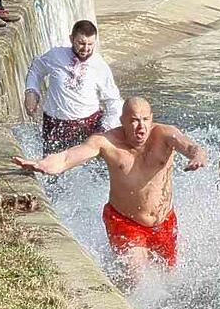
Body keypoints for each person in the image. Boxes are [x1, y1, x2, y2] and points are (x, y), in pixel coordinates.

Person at [11, 97, 207, 282]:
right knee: (135, 276)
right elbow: (67, 158)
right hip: (125, 221)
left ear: (152, 118)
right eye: (134, 121)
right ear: (122, 121)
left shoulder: (165, 135)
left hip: (164, 221)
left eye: (145, 120)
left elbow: (191, 147)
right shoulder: (106, 142)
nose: (141, 127)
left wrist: (197, 156)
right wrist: (42, 165)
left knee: (167, 276)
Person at [24, 20, 124, 154]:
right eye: (81, 43)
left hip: (88, 126)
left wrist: (105, 129)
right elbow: (36, 69)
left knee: (90, 170)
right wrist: (31, 92)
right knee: (51, 169)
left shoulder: (99, 65)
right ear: (71, 39)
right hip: (55, 125)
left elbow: (114, 100)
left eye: (90, 44)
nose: (86, 48)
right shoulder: (56, 55)